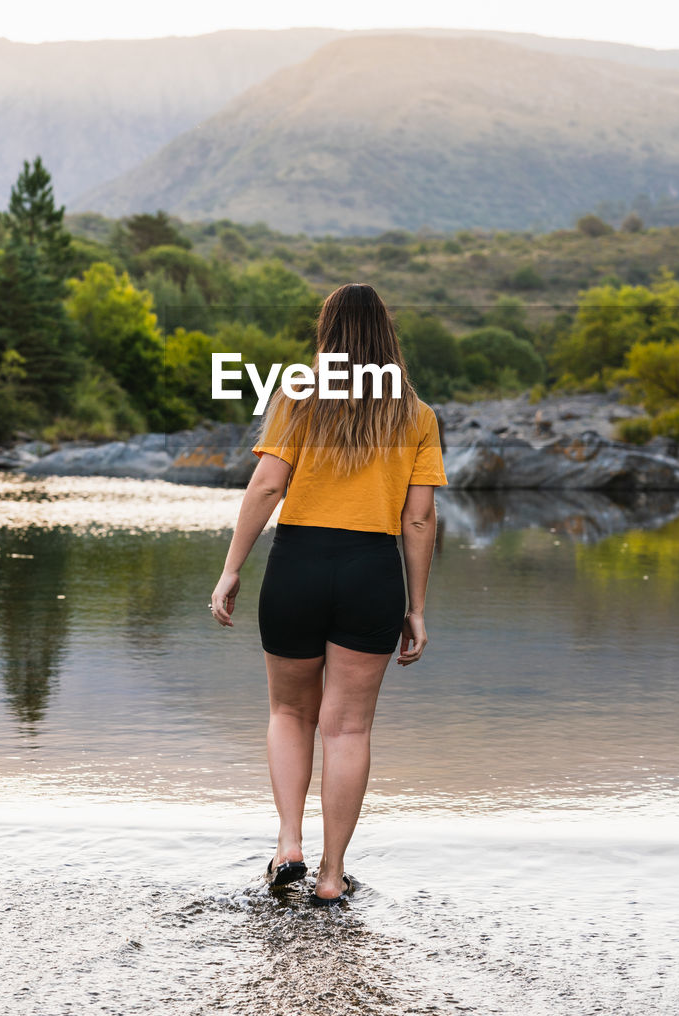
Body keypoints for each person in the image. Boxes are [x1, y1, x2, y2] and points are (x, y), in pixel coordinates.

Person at [209, 283, 448, 906]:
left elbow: (266, 486)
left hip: (298, 565)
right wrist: (417, 607)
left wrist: (232, 567)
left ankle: (288, 844)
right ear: (387, 337)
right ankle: (331, 875)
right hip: (371, 572)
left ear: (328, 335)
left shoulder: (299, 395)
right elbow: (418, 521)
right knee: (347, 730)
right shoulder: (416, 417)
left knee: (290, 712)